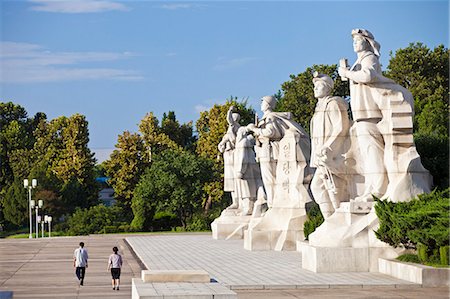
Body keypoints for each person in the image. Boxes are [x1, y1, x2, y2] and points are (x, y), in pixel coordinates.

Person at [338, 28, 430, 202]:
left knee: (374, 154)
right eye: (353, 41)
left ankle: (378, 190)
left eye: (357, 40)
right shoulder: (358, 61)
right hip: (361, 116)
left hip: (370, 115)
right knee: (367, 156)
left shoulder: (369, 58)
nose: (354, 43)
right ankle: (372, 188)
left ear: (366, 42)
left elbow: (368, 75)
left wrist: (347, 73)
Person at [310, 73, 351, 218]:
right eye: (314, 86)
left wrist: (328, 146)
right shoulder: (319, 108)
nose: (315, 88)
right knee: (318, 187)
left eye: (319, 86)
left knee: (332, 187)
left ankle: (337, 218)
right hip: (321, 155)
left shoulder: (334, 103)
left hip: (332, 155)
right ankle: (331, 219)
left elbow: (341, 126)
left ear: (327, 88)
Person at [218, 106, 241, 209]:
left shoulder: (235, 128)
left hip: (233, 155)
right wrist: (221, 146)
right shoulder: (230, 130)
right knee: (230, 181)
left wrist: (230, 110)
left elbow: (229, 119)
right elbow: (221, 145)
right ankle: (234, 201)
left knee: (234, 180)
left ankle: (237, 202)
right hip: (228, 156)